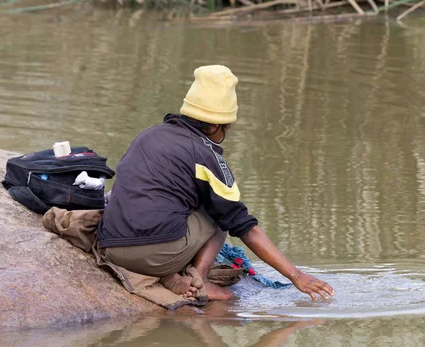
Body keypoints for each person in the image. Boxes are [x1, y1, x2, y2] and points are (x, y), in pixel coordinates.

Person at [97, 65, 334, 301]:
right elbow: (245, 228)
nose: (226, 133)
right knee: (221, 212)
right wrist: (297, 276)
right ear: (214, 126)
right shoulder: (206, 155)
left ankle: (168, 273)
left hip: (112, 250)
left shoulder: (148, 135)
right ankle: (200, 279)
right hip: (154, 256)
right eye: (227, 128)